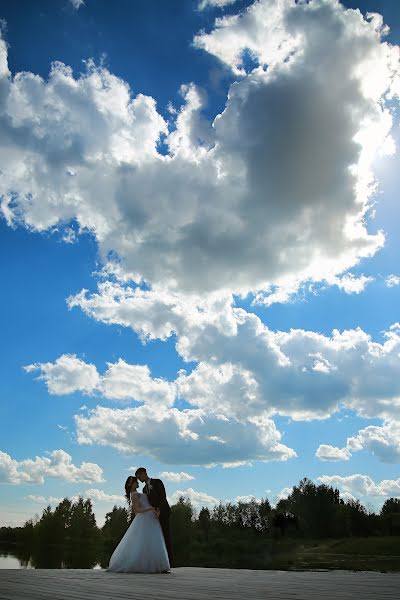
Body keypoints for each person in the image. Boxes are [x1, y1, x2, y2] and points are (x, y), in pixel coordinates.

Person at [107, 475, 170, 573]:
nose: (138, 483)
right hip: (145, 518)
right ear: (131, 484)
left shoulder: (138, 493)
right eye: (136, 482)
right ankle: (144, 565)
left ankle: (156, 565)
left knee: (151, 541)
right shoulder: (134, 494)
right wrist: (150, 508)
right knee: (144, 541)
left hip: (150, 518)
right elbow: (137, 510)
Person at [135, 467, 172, 565]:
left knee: (165, 536)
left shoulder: (157, 482)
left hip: (163, 512)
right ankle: (158, 562)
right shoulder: (144, 489)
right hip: (153, 515)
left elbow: (163, 497)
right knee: (156, 538)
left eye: (139, 477)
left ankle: (169, 563)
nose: (139, 480)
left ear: (143, 473)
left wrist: (159, 510)